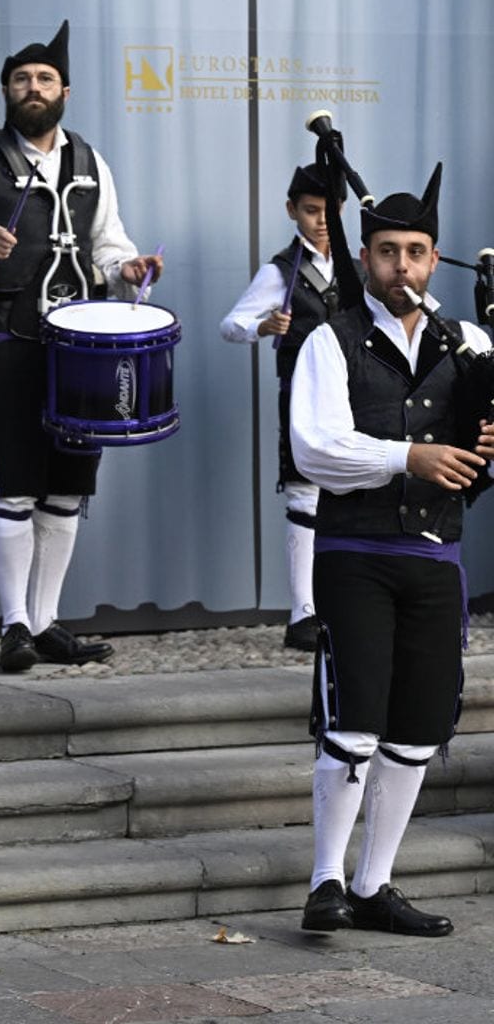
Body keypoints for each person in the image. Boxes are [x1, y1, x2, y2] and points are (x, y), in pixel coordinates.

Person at [0, 21, 163, 673]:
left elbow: (109, 242)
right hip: (7, 337)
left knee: (67, 488)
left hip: (79, 346)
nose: (33, 87)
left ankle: (47, 622)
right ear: (5, 90)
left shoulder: (90, 162)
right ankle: (14, 625)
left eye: (44, 78)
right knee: (16, 484)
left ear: (65, 91)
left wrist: (128, 269)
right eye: (21, 79)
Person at [290, 164, 494, 937]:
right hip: (355, 551)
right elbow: (314, 448)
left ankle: (374, 885)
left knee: (416, 729)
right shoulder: (331, 340)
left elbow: (477, 456)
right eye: (386, 251)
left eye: (414, 252)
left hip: (437, 556)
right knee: (355, 723)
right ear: (365, 257)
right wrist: (406, 458)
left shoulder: (468, 341)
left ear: (433, 259)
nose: (401, 266)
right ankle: (325, 882)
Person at [221, 164, 356, 652]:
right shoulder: (280, 270)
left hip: (357, 399)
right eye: (310, 211)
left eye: (329, 211)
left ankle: (348, 603)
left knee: (356, 496)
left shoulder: (359, 267)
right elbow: (230, 324)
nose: (321, 221)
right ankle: (303, 612)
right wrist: (262, 328)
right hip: (301, 397)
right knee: (305, 497)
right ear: (292, 211)